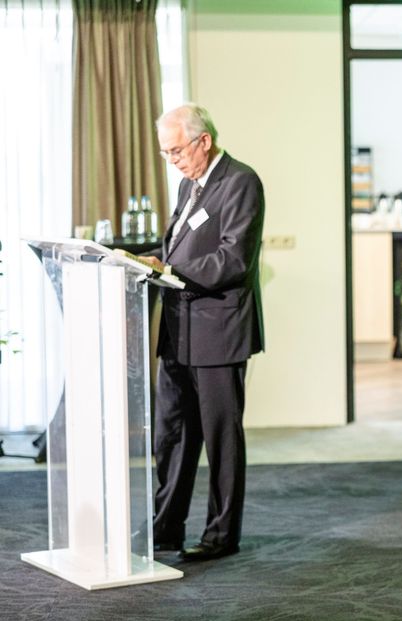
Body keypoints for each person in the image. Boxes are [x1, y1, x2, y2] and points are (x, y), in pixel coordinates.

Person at [139, 103, 265, 561]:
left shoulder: (241, 182)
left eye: (175, 151)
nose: (171, 160)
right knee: (172, 435)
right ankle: (166, 527)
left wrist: (170, 269)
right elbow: (178, 246)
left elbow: (234, 260)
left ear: (203, 141)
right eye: (165, 153)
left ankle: (220, 536)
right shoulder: (188, 184)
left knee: (220, 439)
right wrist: (148, 261)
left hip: (219, 332)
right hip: (179, 330)